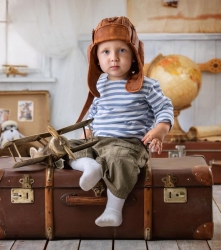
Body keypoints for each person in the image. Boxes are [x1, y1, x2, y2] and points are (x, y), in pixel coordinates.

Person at [69, 16, 174, 227]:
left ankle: (113, 209)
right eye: (106, 52)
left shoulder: (146, 85)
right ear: (97, 59)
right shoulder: (100, 84)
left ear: (134, 56)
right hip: (98, 141)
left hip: (127, 143)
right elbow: (93, 114)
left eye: (122, 50)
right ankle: (90, 166)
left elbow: (164, 107)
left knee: (119, 159)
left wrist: (159, 131)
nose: (114, 57)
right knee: (65, 148)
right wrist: (85, 136)